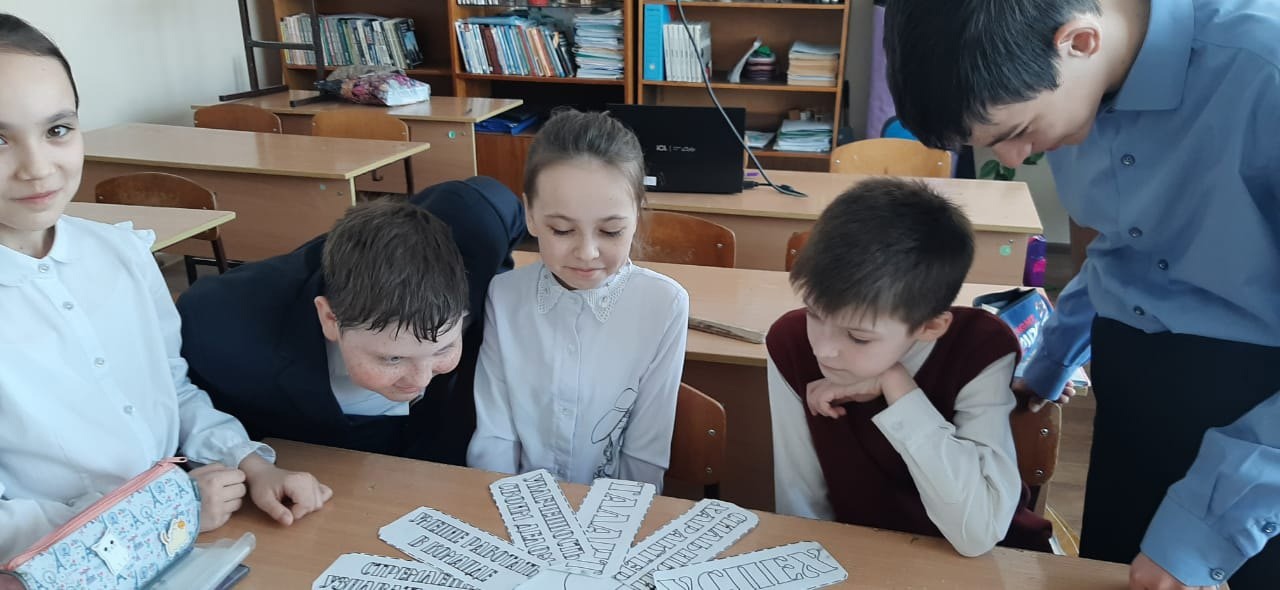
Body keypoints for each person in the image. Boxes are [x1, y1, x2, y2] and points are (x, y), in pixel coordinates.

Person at [882, 1, 1280, 587]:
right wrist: (1051, 360)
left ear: (1081, 42)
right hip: (1132, 384)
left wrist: (1208, 531)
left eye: (1018, 133)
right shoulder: (1075, 84)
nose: (1014, 159)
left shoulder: (1262, 70)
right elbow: (1120, 250)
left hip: (1259, 431)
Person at [0, 13, 329, 562]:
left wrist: (250, 463)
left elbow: (170, 392)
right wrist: (160, 513)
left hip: (192, 533)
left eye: (57, 130)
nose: (37, 168)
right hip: (70, 563)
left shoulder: (121, 254)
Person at [766, 178, 1051, 556]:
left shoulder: (978, 348)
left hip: (986, 564)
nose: (824, 349)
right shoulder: (790, 343)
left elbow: (978, 532)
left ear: (930, 327)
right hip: (862, 556)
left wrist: (896, 385)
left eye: (858, 338)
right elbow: (801, 505)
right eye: (814, 314)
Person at [178, 177, 525, 465]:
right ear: (330, 318)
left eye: (443, 348)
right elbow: (180, 401)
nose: (420, 380)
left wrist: (499, 283)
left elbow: (500, 205)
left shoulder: (477, 225)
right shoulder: (220, 332)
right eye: (392, 358)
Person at [466, 110, 689, 488]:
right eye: (561, 229)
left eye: (611, 231)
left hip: (613, 509)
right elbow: (495, 436)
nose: (587, 253)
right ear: (530, 215)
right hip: (514, 503)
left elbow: (645, 452)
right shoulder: (504, 296)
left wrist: (616, 517)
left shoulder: (663, 305)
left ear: (636, 215)